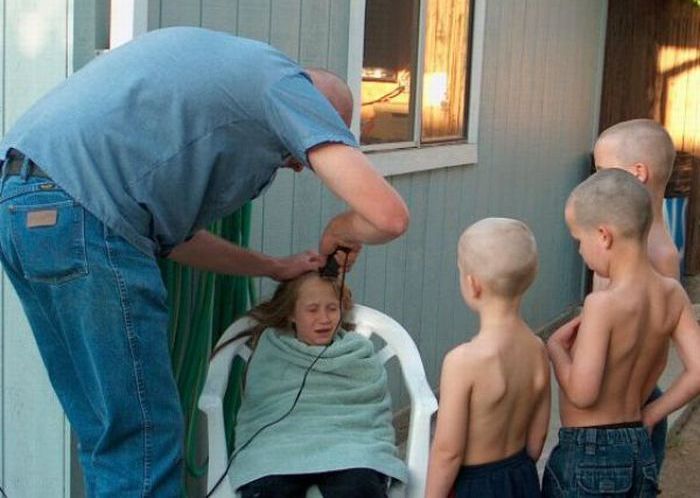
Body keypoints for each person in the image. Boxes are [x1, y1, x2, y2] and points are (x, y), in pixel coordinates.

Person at [0, 27, 409, 497]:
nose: (299, 165)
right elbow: (389, 216)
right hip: (85, 219)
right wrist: (342, 228)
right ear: (313, 110)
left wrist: (272, 267)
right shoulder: (283, 83)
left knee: (109, 432)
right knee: (143, 439)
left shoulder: (222, 83)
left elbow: (174, 241)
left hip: (22, 207)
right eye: (305, 149)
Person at [543, 169, 700, 497]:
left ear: (604, 235)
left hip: (589, 455)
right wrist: (654, 413)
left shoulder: (602, 304)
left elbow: (583, 394)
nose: (580, 251)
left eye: (579, 240)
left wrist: (555, 349)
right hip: (639, 449)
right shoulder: (672, 294)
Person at [228, 271, 407, 498]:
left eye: (332, 308)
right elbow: (261, 406)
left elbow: (371, 412)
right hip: (279, 446)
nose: (324, 318)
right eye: (312, 310)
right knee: (269, 487)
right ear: (291, 314)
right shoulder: (271, 349)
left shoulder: (358, 352)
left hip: (351, 446)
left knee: (358, 486)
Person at [425, 218, 550, 498]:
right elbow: (537, 439)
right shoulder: (537, 349)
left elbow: (447, 452)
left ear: (473, 284)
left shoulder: (462, 362)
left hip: (475, 485)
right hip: (521, 477)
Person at [592, 118, 680, 469]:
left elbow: (656, 351)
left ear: (638, 173)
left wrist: (652, 412)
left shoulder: (658, 255)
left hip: (626, 415)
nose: (596, 183)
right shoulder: (617, 241)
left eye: (602, 171)